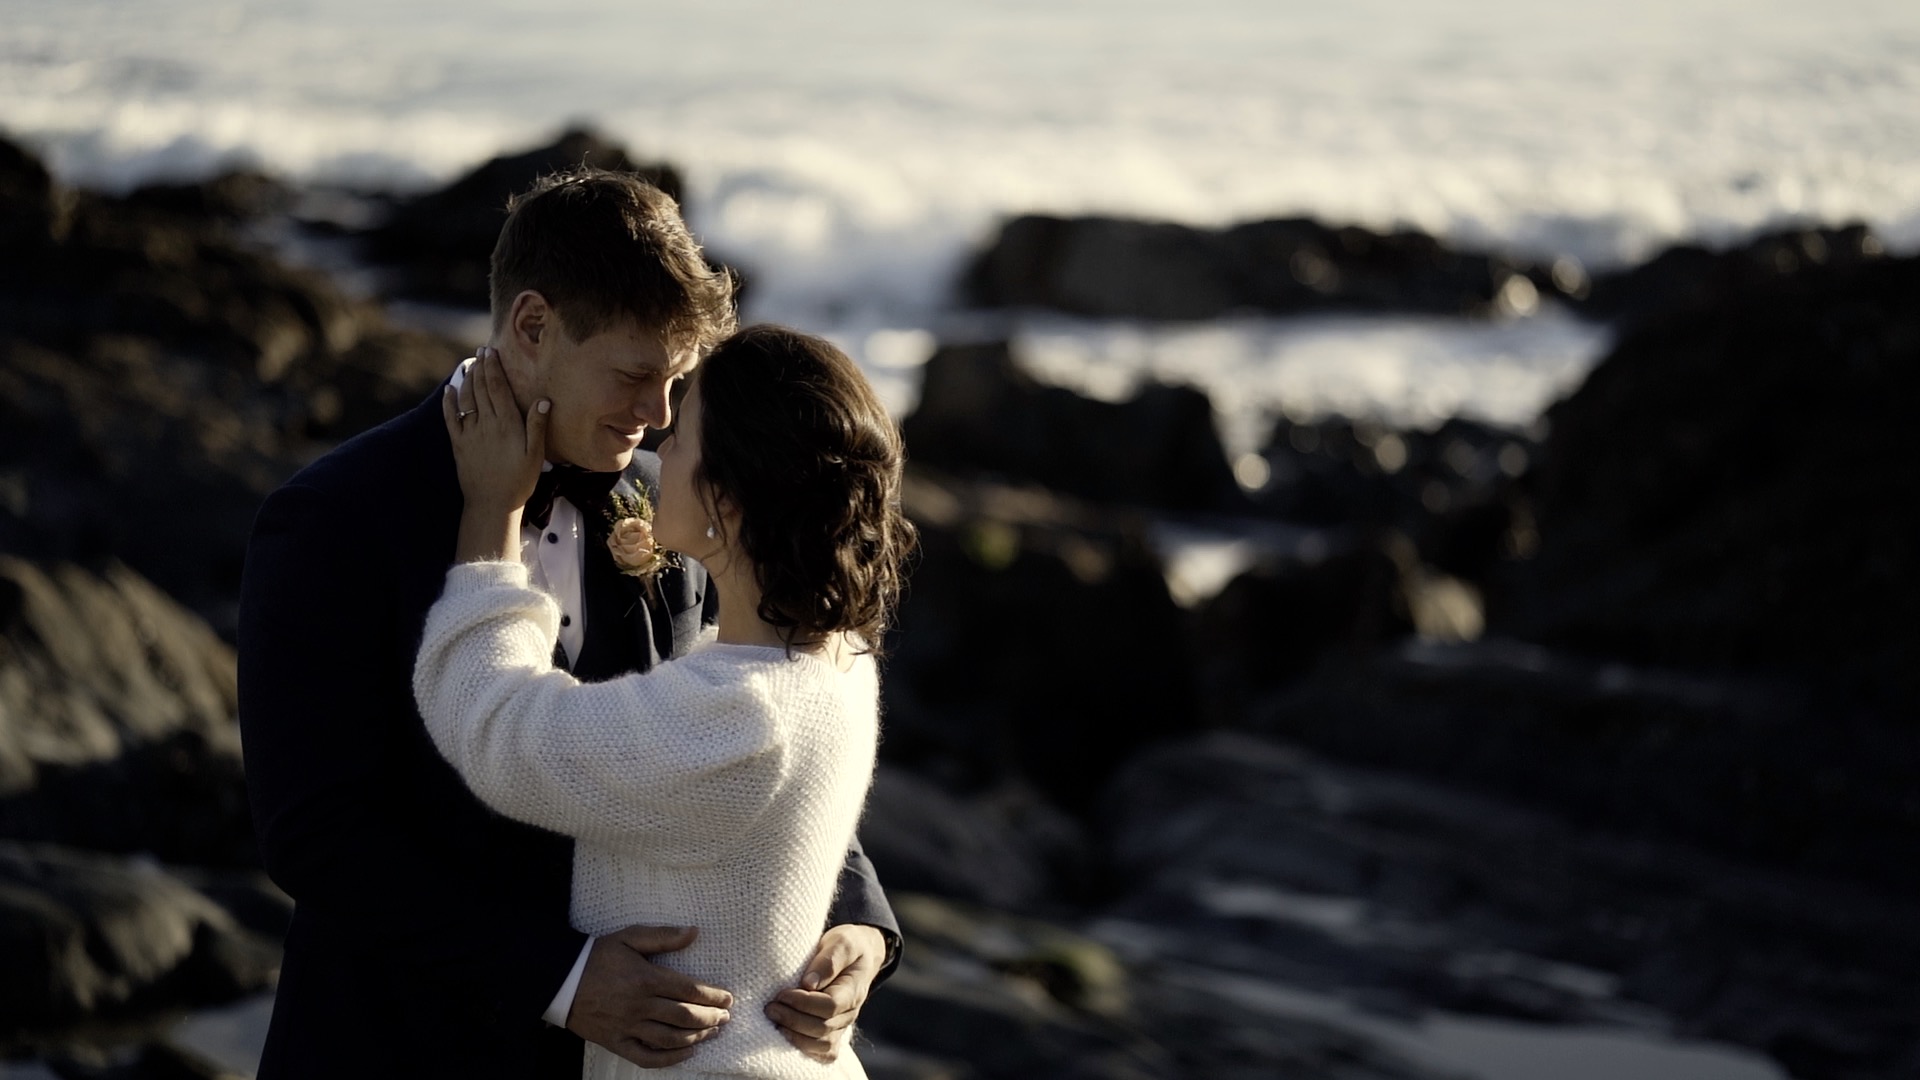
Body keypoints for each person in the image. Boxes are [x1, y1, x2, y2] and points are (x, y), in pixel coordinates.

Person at [236, 170, 899, 1080]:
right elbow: (313, 829)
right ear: (534, 327)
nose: (659, 418)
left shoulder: (663, 499)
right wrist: (560, 977)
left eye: (676, 383)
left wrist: (855, 916)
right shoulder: (337, 517)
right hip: (404, 1049)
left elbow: (744, 711)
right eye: (635, 375)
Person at [415, 325, 914, 1078]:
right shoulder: (839, 660)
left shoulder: (738, 713)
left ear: (728, 502)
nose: (658, 441)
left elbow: (494, 725)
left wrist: (492, 515)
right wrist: (866, 930)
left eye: (682, 433)